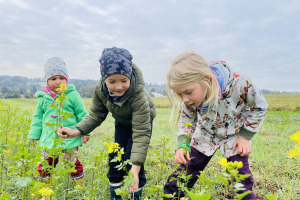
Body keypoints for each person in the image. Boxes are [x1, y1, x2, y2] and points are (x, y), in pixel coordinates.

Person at [163, 52, 268, 200]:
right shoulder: (189, 100)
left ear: (206, 79)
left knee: (240, 177)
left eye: (188, 92)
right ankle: (170, 196)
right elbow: (187, 119)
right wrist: (183, 143)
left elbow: (260, 106)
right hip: (205, 134)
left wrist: (246, 136)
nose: (185, 99)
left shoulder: (240, 84)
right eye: (179, 95)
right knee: (188, 168)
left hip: (235, 135)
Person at [58, 47, 156, 200]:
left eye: (124, 80)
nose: (118, 87)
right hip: (122, 121)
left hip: (142, 122)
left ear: (130, 76)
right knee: (116, 156)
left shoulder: (139, 97)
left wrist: (135, 170)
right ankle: (116, 194)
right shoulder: (100, 91)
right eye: (112, 81)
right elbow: (96, 114)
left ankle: (135, 191)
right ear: (104, 79)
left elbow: (141, 134)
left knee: (133, 160)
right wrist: (77, 131)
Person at [28, 57, 89, 185]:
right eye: (53, 79)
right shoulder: (44, 97)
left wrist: (85, 131)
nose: (58, 82)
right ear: (47, 81)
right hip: (49, 139)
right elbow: (38, 117)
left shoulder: (72, 95)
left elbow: (82, 114)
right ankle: (44, 187)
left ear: (66, 80)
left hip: (69, 139)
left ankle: (80, 186)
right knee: (45, 164)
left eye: (61, 78)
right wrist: (34, 134)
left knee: (72, 163)